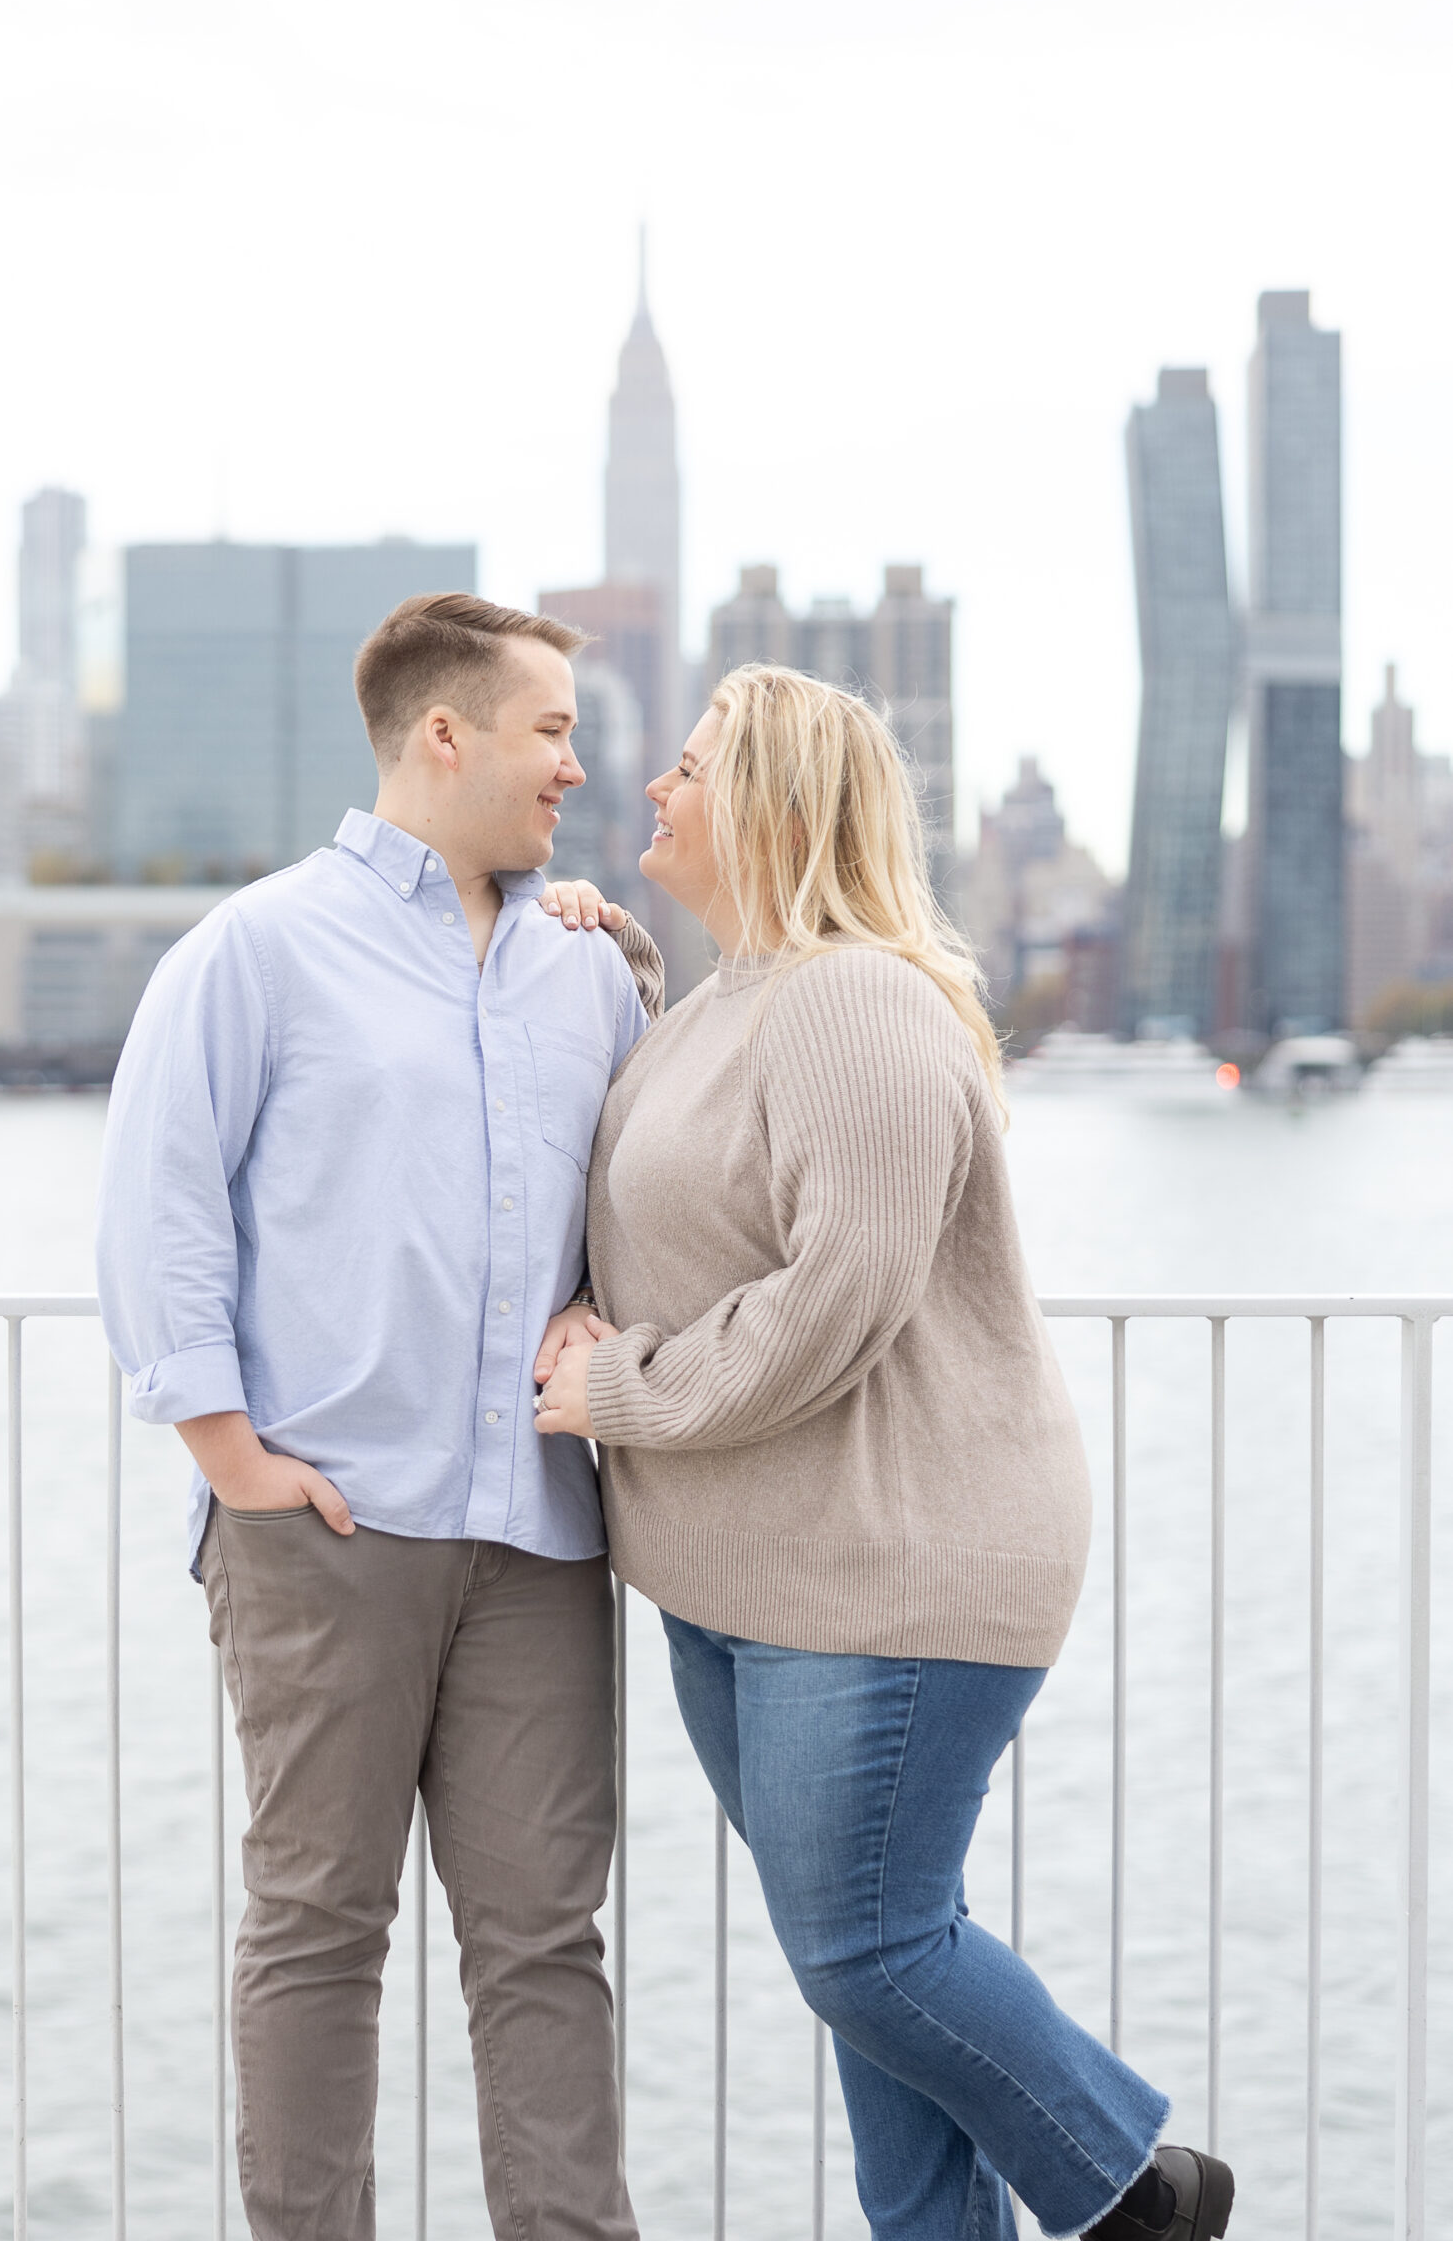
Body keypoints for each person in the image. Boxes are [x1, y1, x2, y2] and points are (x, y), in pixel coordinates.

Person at [531, 665, 1234, 2241]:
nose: (655, 787)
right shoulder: (720, 1005)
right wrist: (595, 949)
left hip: (889, 1572)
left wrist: (614, 1388)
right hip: (743, 1577)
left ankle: (1135, 2191)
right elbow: (669, 1206)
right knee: (877, 1961)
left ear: (775, 804)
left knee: (866, 1952)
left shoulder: (854, 1000)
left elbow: (831, 1299)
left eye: (692, 767)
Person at [96, 592, 661, 2241]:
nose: (573, 766)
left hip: (537, 1538)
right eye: (550, 730)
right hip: (324, 1525)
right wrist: (233, 1462)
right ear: (444, 734)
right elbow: (158, 1208)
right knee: (319, 1932)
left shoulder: (586, 970)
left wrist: (599, 1307)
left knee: (545, 1946)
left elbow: (643, 1197)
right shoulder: (257, 949)